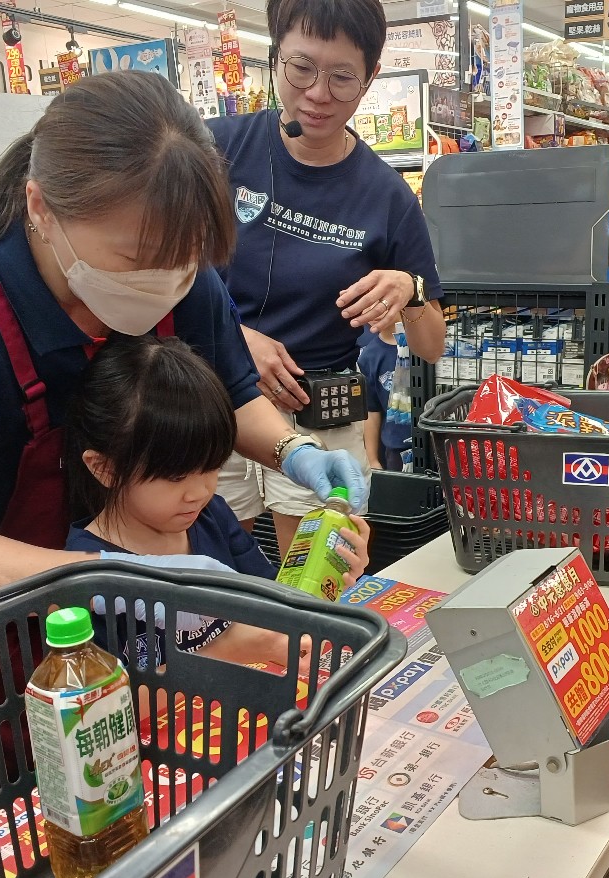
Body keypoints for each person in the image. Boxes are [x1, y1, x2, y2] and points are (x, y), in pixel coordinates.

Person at [0, 72, 365, 625]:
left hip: (122, 630)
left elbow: (234, 394)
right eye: (136, 259)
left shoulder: (181, 276)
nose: (166, 281)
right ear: (41, 208)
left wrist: (295, 452)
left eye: (187, 258)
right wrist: (115, 577)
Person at [207, 0, 447, 549]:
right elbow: (157, 269)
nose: (318, 94)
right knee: (210, 572)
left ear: (371, 77)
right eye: (301, 68)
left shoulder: (386, 194)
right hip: (211, 394)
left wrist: (410, 290)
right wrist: (233, 337)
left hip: (321, 410)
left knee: (317, 576)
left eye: (342, 77)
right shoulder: (215, 150)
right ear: (274, 57)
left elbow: (432, 345)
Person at [63, 336, 370, 665]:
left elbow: (277, 606)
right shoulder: (84, 576)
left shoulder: (212, 516)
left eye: (212, 468)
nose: (199, 492)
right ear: (105, 469)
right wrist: (228, 651)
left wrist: (328, 575)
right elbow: (107, 692)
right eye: (175, 477)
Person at [358, 323, 407, 472]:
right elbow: (371, 411)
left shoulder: (424, 345)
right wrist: (372, 459)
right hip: (396, 447)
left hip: (436, 438)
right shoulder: (369, 356)